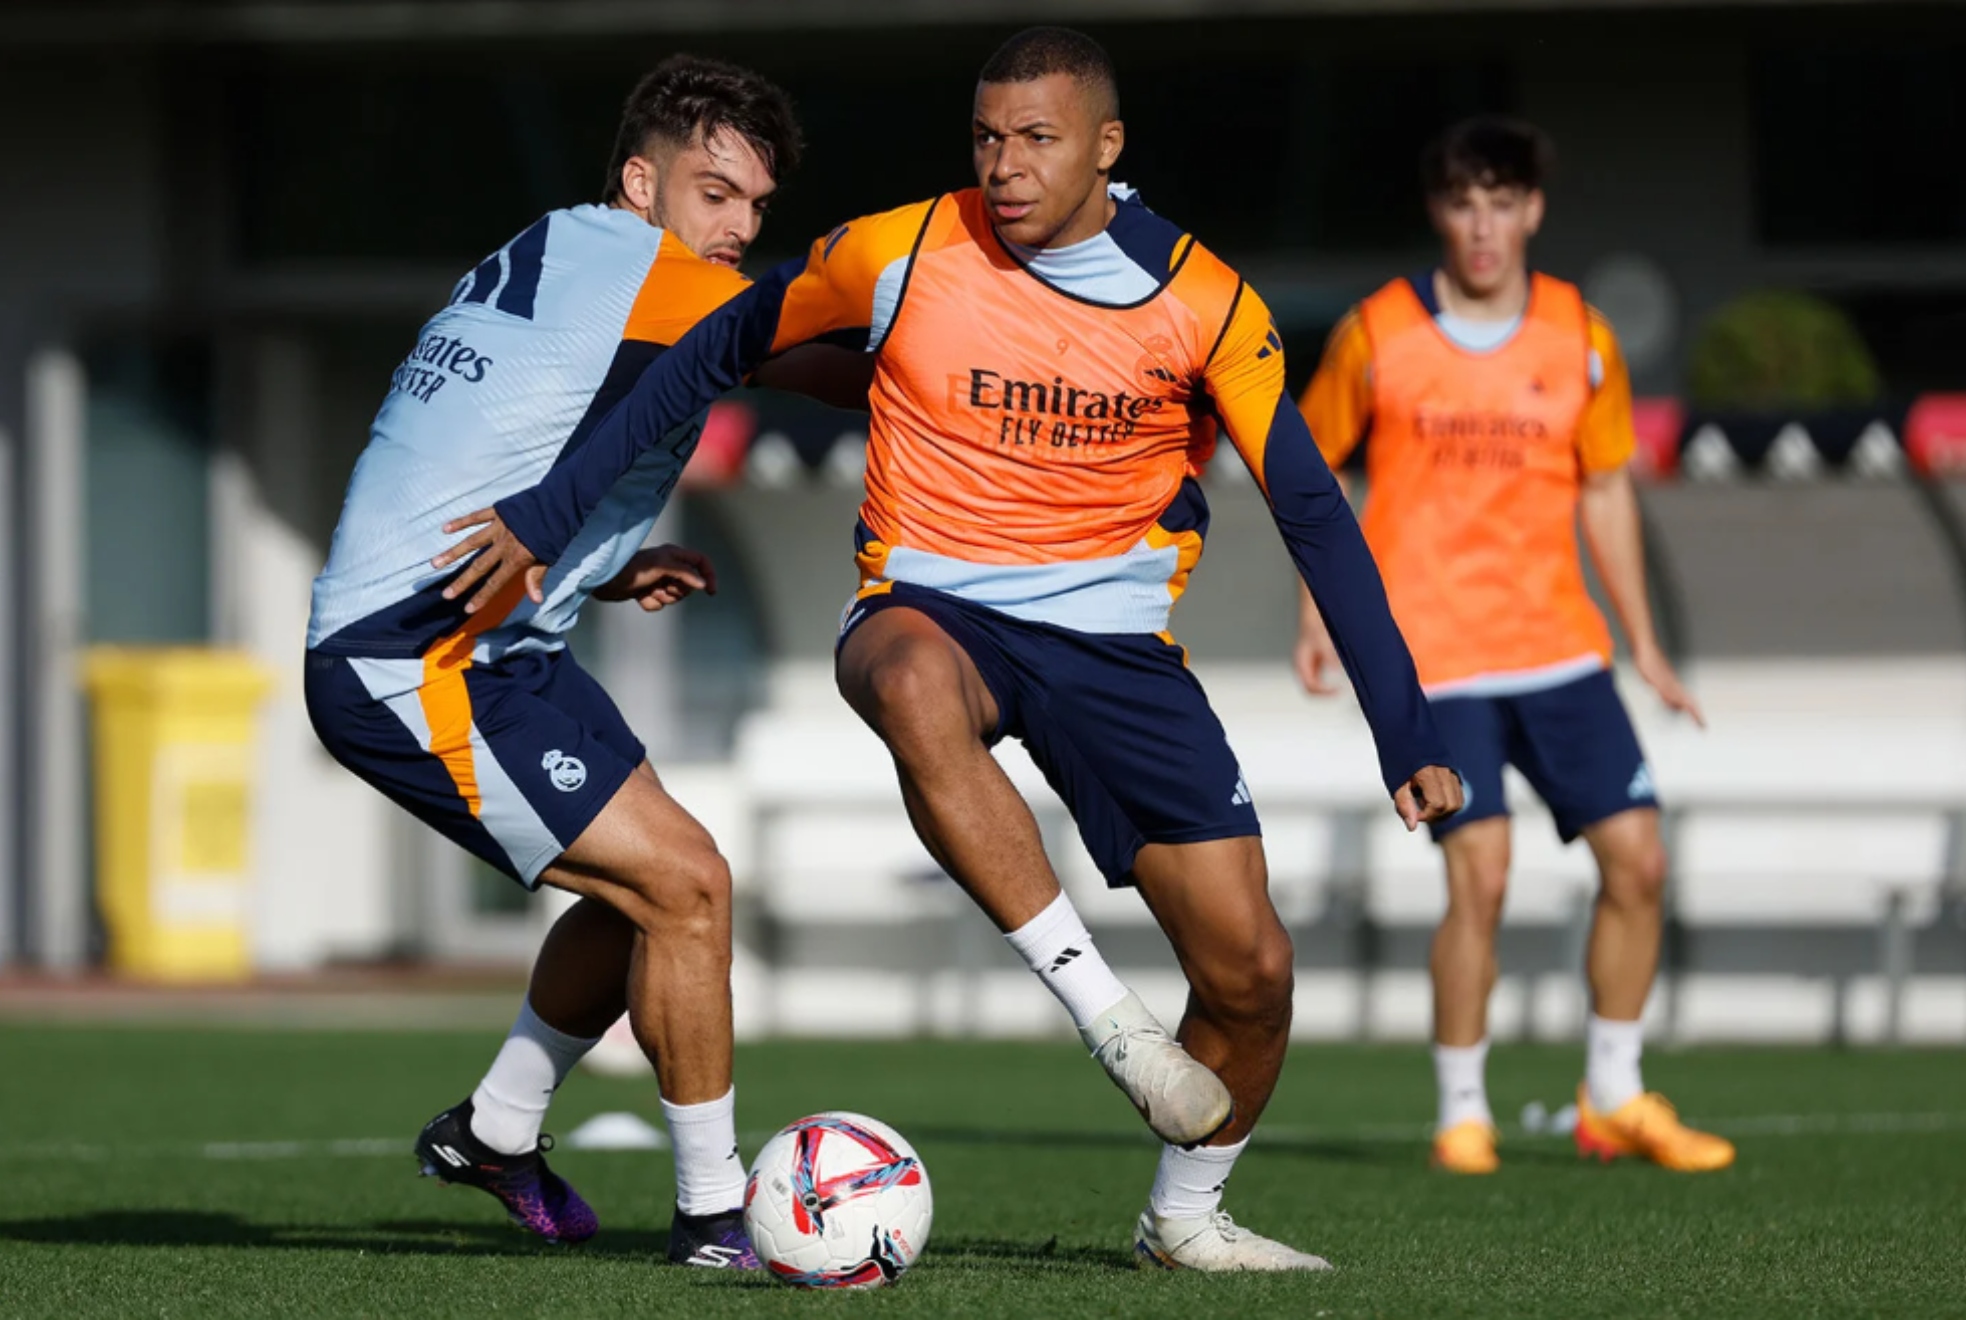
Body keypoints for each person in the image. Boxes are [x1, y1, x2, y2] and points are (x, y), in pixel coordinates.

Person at [435, 27, 1462, 1272]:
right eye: (986, 137)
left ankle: (1184, 1220)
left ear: (1107, 146)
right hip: (930, 607)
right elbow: (715, 349)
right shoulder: (898, 246)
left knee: (1251, 973)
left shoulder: (1208, 301)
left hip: (1116, 647)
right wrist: (551, 513)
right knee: (910, 678)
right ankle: (1110, 1021)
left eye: (1036, 139)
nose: (1006, 165)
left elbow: (1309, 508)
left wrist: (1404, 723)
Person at [303, 55, 847, 1268]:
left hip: (499, 638)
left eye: (757, 209)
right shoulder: (650, 272)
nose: (738, 230)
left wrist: (607, 557)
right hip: (412, 655)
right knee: (690, 888)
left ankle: (496, 1131)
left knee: (640, 893)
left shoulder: (568, 253)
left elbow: (498, 433)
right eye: (715, 195)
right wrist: (1007, 370)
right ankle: (717, 1218)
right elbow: (825, 359)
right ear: (640, 180)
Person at [1291, 117, 1732, 1175]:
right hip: (1437, 658)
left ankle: (1614, 1097)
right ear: (1437, 213)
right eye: (1461, 203)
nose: (1481, 226)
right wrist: (1316, 617)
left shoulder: (1579, 334)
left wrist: (1648, 646)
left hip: (1560, 651)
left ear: (1533, 210)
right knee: (1479, 877)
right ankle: (1461, 1111)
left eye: (1501, 202)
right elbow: (1309, 476)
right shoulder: (1377, 333)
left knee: (1642, 861)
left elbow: (1608, 488)